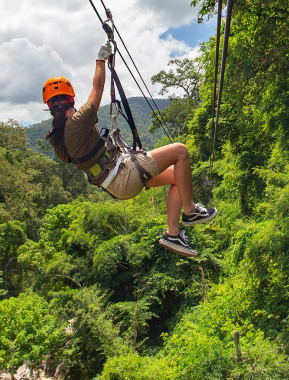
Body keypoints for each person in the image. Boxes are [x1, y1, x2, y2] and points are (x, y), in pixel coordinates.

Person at [42, 42, 217, 257]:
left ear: (49, 107)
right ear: (71, 98)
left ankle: (173, 233)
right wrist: (100, 60)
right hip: (123, 174)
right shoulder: (77, 122)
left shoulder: (57, 137)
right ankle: (190, 212)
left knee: (177, 179)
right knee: (180, 151)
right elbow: (97, 89)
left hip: (114, 183)